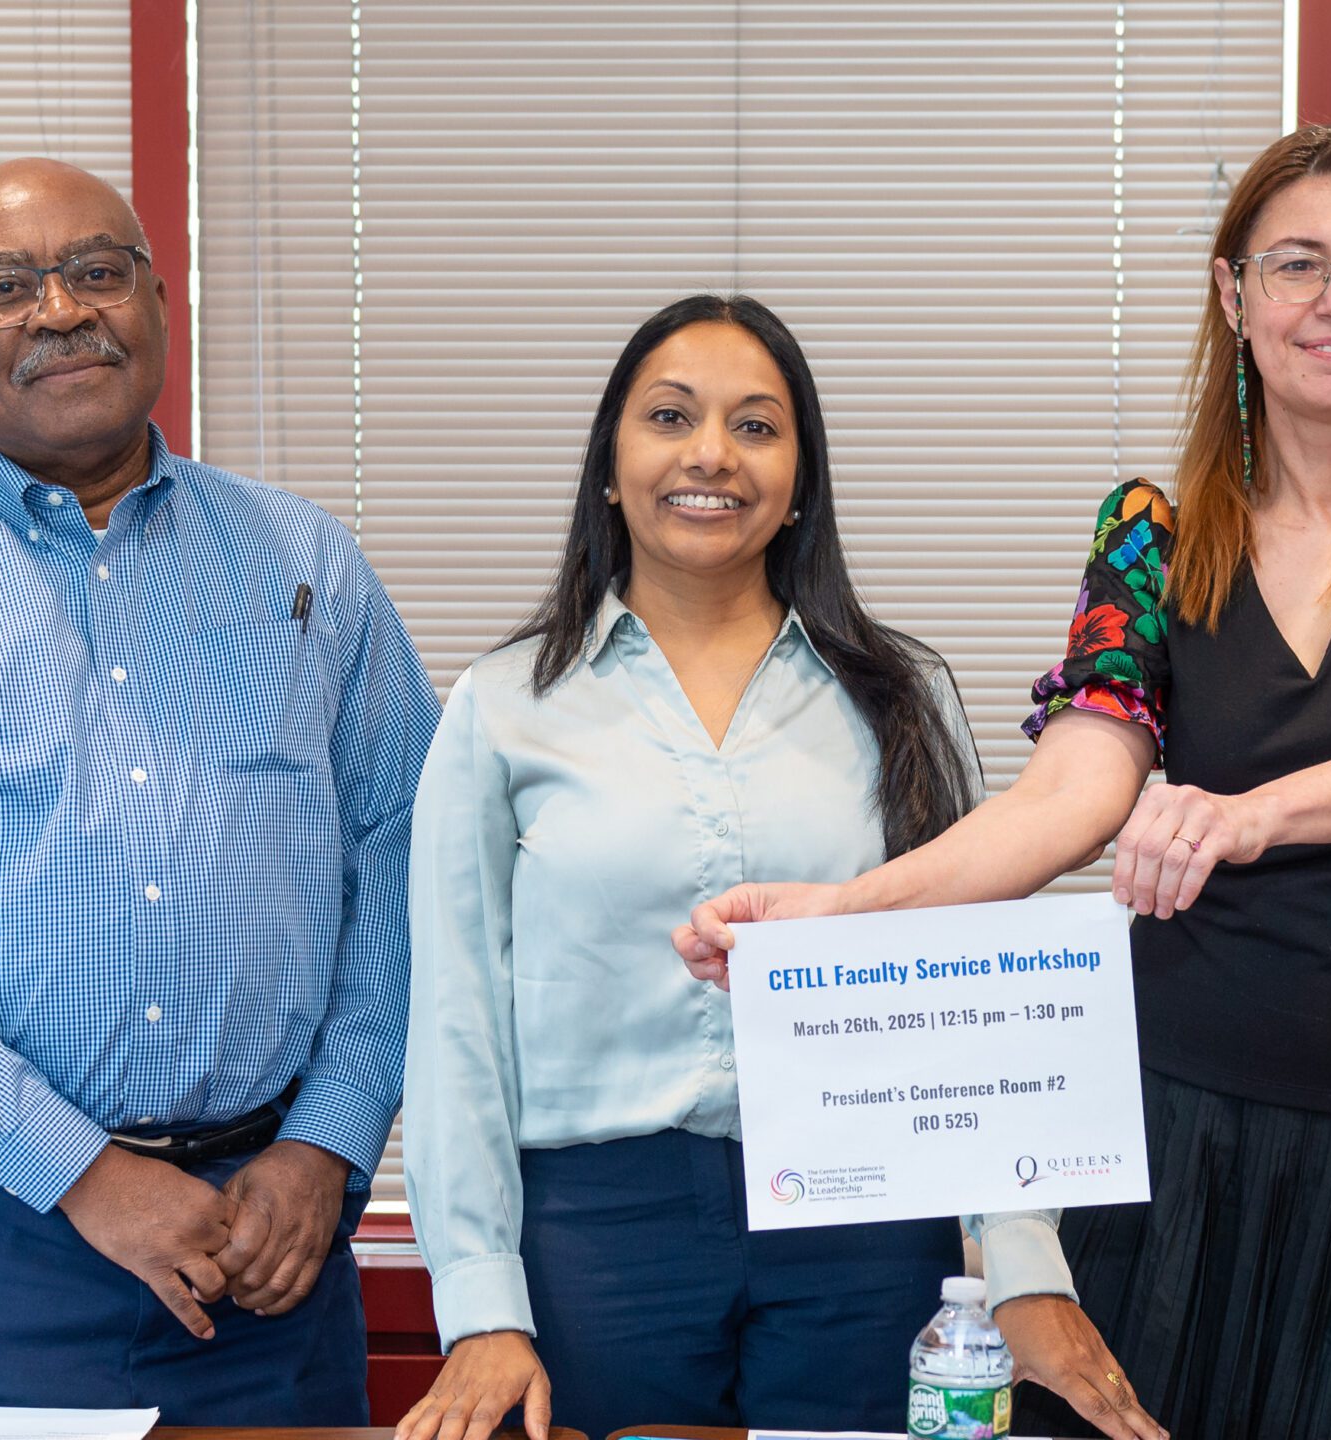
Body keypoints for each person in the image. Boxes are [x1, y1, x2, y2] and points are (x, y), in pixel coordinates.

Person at [678, 117, 1331, 1440]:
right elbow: (1072, 797)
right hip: (1176, 1158)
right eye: (1295, 265)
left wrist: (1246, 815)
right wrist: (831, 915)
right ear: (1234, 296)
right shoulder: (1154, 531)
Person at [0, 158, 437, 1423]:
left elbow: (400, 866)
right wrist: (81, 1174)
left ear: (160, 303)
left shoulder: (307, 566)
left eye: (97, 272)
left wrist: (328, 1139)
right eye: (3, 287)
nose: (59, 310)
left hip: (263, 1249)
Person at [394, 296, 985, 1440]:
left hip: (864, 1218)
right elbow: (454, 1023)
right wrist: (478, 1304)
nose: (710, 453)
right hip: (596, 1231)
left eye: (756, 427)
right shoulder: (504, 708)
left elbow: (963, 999)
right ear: (610, 467)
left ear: (801, 477)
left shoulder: (903, 700)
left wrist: (1018, 1264)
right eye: (671, 417)